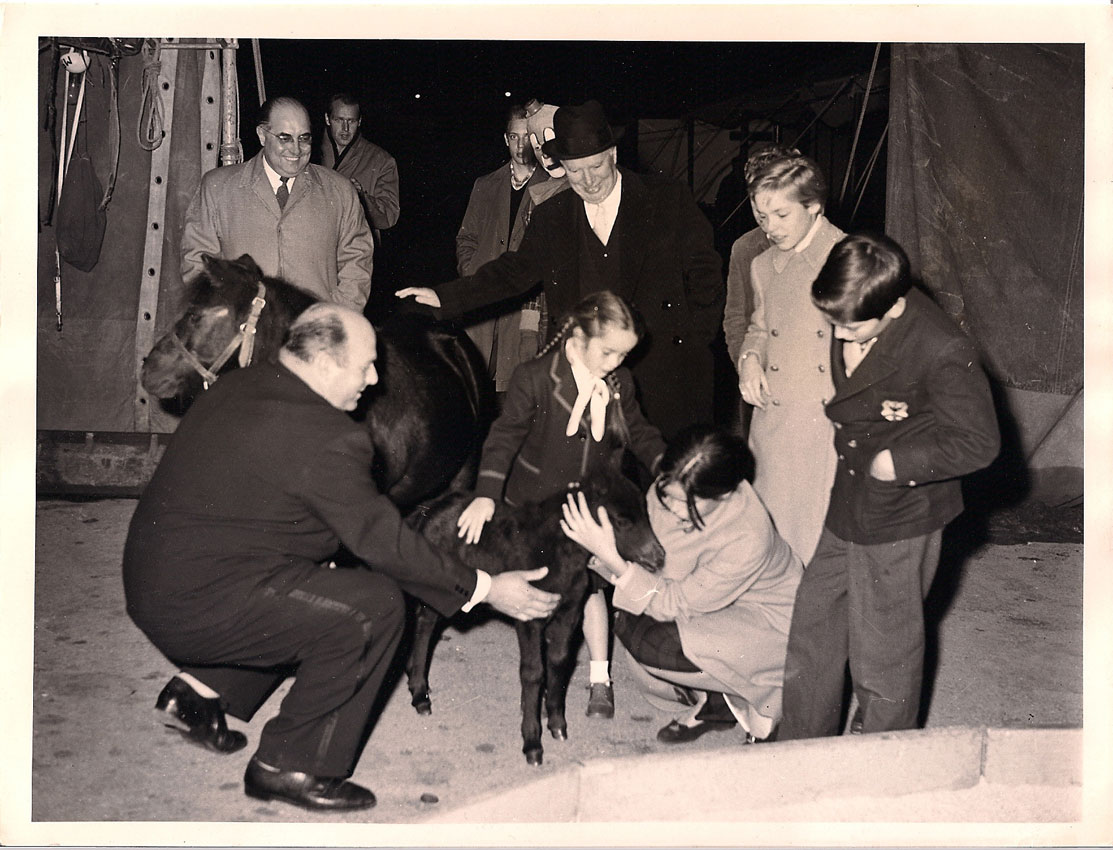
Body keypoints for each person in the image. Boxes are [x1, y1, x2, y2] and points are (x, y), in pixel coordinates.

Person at [122, 303, 559, 811]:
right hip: (194, 604)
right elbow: (387, 544)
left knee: (316, 578)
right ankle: (291, 763)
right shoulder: (331, 437)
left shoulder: (240, 383)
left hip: (152, 580)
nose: (374, 380)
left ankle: (195, 693)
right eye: (366, 365)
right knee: (373, 606)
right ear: (327, 363)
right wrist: (486, 587)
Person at [778, 232, 1000, 740]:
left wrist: (894, 463)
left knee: (884, 651)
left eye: (850, 327)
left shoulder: (943, 349)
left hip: (903, 509)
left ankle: (883, 759)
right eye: (832, 322)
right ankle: (798, 748)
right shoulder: (855, 307)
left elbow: (979, 443)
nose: (838, 336)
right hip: (849, 497)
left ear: (895, 307)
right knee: (814, 623)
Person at [397, 99, 724, 440]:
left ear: (613, 154)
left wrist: (694, 345)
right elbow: (512, 272)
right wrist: (444, 296)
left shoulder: (668, 200)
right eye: (575, 171)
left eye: (595, 167)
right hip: (586, 377)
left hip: (665, 374)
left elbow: (707, 276)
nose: (588, 181)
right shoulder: (553, 216)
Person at [455, 290, 666, 720]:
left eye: (623, 355)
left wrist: (667, 465)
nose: (615, 363)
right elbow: (503, 438)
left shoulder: (619, 382)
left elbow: (640, 431)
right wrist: (486, 494)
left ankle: (600, 679)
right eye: (608, 352)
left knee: (589, 589)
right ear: (579, 337)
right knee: (540, 587)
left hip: (589, 507)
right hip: (537, 507)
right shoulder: (534, 377)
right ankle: (537, 662)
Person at [560, 425, 803, 744]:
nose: (673, 508)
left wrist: (612, 559)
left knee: (654, 644)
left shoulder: (749, 536)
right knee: (631, 624)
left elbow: (669, 601)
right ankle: (718, 700)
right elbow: (656, 570)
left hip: (769, 623)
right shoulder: (669, 487)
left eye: (688, 502)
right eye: (667, 494)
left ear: (724, 495)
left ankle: (768, 691)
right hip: (709, 605)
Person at [735, 154, 845, 565]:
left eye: (782, 215)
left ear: (813, 205)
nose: (770, 228)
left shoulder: (847, 256)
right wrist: (750, 359)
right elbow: (760, 327)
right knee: (771, 539)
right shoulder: (763, 265)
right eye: (762, 217)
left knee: (817, 543)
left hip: (825, 423)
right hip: (774, 420)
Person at [181, 96, 373, 314]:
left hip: (315, 327)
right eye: (285, 138)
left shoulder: (340, 191)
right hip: (242, 327)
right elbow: (198, 262)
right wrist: (227, 315)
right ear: (262, 135)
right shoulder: (217, 188)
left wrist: (334, 318)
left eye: (304, 138)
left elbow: (357, 262)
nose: (296, 150)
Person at [455, 104, 551, 393]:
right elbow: (466, 238)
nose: (520, 147)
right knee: (476, 386)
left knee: (516, 392)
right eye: (513, 137)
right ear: (505, 139)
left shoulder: (551, 186)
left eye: (526, 138)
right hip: (483, 304)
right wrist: (472, 274)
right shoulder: (485, 185)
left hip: (524, 310)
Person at [721, 143, 801, 439]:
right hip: (760, 383)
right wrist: (746, 365)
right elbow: (735, 319)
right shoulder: (744, 249)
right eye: (756, 203)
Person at [320, 93, 400, 244]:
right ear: (327, 119)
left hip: (357, 250)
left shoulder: (382, 160)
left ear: (360, 121)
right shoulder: (306, 153)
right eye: (339, 120)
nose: (345, 128)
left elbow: (389, 217)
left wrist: (361, 198)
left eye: (351, 121)